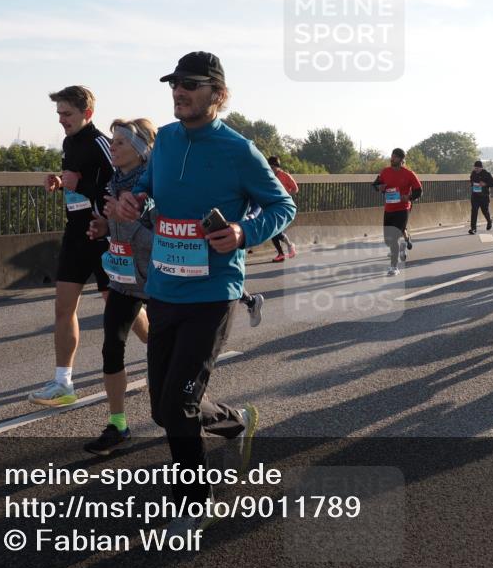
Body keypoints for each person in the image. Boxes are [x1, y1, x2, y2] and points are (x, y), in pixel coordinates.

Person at [112, 51, 295, 537]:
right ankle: (236, 421)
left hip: (213, 293)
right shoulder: (167, 140)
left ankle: (194, 501)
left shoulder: (239, 150)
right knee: (162, 406)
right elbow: (149, 190)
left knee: (176, 407)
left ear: (218, 94)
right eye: (175, 83)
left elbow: (282, 205)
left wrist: (242, 232)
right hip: (164, 287)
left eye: (191, 84)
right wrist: (136, 200)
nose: (180, 91)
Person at [29, 86, 147, 407]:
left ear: (87, 114)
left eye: (67, 114)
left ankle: (161, 352)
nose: (61, 120)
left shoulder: (100, 143)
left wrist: (78, 184)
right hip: (75, 234)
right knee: (63, 308)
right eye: (59, 114)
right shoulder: (69, 142)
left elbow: (117, 188)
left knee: (121, 307)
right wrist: (60, 182)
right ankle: (63, 383)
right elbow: (77, 183)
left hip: (103, 236)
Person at [83, 119, 157, 455]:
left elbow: (163, 242)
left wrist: (125, 220)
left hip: (160, 281)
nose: (112, 147)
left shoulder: (157, 187)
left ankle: (195, 416)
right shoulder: (115, 182)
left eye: (120, 143)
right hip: (125, 279)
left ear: (141, 150)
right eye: (111, 142)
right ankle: (118, 424)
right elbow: (122, 231)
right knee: (111, 347)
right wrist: (105, 226)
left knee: (168, 356)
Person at [372, 148, 422, 276]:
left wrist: (409, 197)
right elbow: (375, 185)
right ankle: (401, 247)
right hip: (389, 209)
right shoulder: (385, 172)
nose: (392, 158)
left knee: (393, 238)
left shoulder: (409, 174)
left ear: (401, 159)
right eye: (391, 156)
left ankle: (394, 267)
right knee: (388, 240)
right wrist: (379, 187)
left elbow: (419, 191)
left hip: (402, 209)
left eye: (394, 157)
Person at [266, 156, 299, 262]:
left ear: (277, 166)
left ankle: (285, 250)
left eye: (272, 167)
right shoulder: (269, 176)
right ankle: (285, 250)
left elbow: (295, 189)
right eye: (269, 167)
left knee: (275, 230)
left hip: (284, 206)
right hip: (273, 205)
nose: (270, 169)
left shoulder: (285, 176)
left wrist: (286, 195)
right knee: (274, 230)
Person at [468, 160, 493, 234]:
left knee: (485, 211)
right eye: (475, 168)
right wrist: (472, 183)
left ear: (481, 168)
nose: (476, 170)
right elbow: (471, 180)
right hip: (475, 196)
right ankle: (473, 228)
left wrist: (485, 184)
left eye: (477, 168)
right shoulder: (473, 173)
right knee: (474, 211)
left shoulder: (486, 174)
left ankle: (489, 221)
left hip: (484, 196)